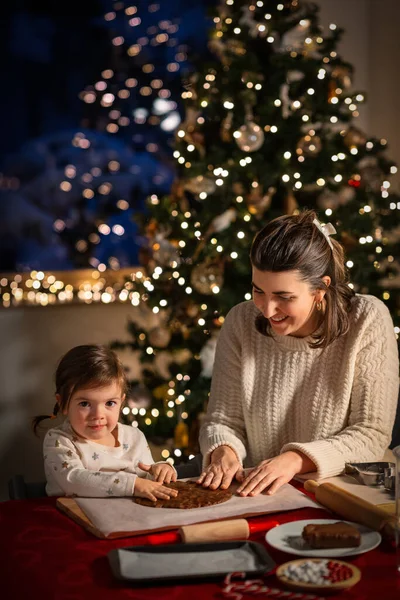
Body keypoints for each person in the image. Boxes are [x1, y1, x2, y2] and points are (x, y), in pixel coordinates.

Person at [198, 210, 399, 497]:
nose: (267, 310)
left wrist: (293, 460)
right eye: (258, 291)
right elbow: (223, 420)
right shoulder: (240, 322)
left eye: (284, 297)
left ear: (320, 289)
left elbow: (371, 434)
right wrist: (223, 450)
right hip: (264, 496)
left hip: (345, 496)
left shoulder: (367, 319)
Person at [33, 344, 178, 501]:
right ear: (63, 404)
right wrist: (133, 484)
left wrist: (161, 469)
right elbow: (74, 480)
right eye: (84, 404)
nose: (98, 415)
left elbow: (147, 478)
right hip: (73, 518)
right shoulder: (59, 441)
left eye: (109, 403)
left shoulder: (134, 437)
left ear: (121, 402)